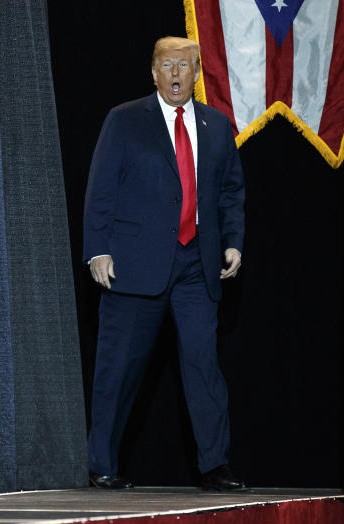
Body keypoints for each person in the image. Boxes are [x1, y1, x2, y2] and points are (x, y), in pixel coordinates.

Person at [83, 36, 246, 491]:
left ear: (197, 73)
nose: (175, 73)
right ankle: (102, 465)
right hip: (134, 266)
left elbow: (231, 191)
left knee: (202, 365)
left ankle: (215, 466)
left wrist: (233, 241)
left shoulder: (217, 125)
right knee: (119, 368)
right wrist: (98, 249)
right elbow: (101, 189)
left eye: (184, 65)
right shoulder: (125, 120)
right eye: (166, 65)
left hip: (198, 265)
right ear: (153, 73)